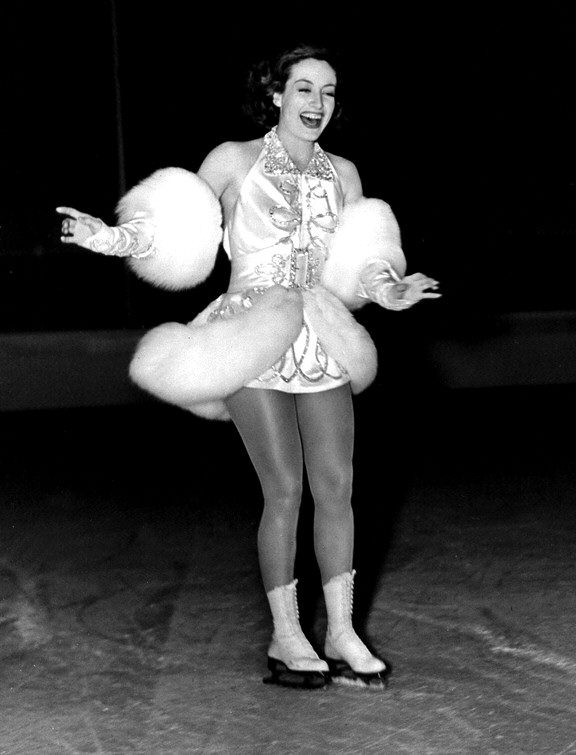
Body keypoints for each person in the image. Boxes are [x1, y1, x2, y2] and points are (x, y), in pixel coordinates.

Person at [57, 42, 440, 690]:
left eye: (329, 91)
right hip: (249, 328)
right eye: (305, 89)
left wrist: (387, 287)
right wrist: (110, 237)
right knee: (284, 486)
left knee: (337, 483)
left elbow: (359, 263)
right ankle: (288, 635)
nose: (318, 104)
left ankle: (342, 630)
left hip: (319, 328)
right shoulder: (232, 160)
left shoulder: (343, 173)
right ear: (275, 93)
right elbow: (176, 232)